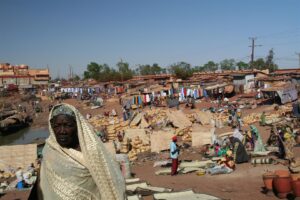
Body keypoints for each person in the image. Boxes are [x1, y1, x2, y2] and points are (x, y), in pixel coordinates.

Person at [40, 103, 125, 200]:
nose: (62, 131)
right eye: (57, 126)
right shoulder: (49, 151)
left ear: (77, 126)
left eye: (68, 125)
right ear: (51, 126)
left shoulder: (92, 149)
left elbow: (111, 180)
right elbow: (43, 188)